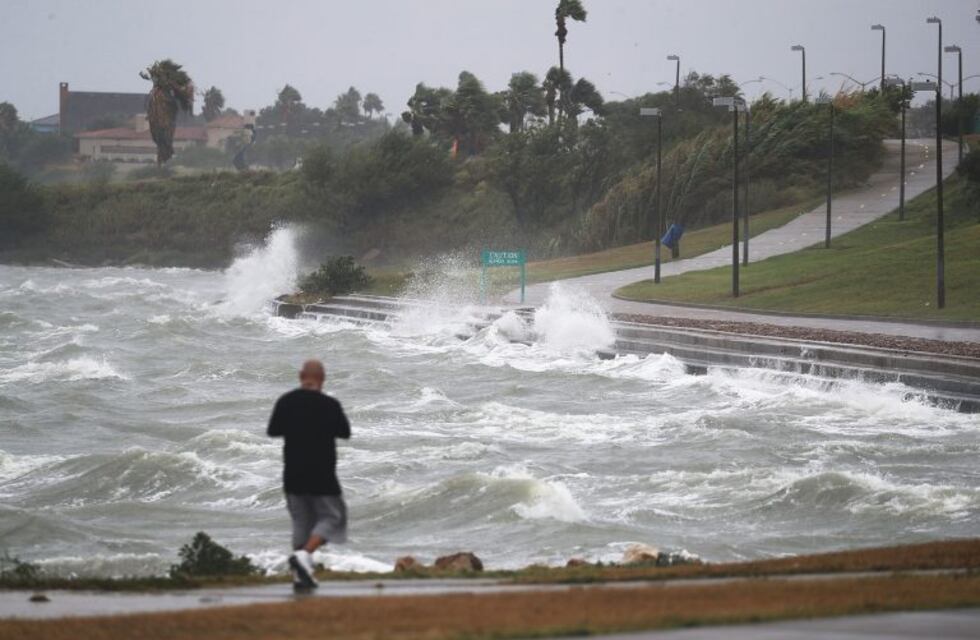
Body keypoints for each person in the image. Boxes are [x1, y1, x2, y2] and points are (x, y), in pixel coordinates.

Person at [267, 359, 351, 591]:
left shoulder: (286, 401)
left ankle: (300, 576)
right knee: (333, 517)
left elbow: (273, 430)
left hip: (293, 473)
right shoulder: (330, 405)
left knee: (301, 522)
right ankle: (304, 555)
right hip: (322, 473)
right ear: (322, 379)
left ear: (300, 376)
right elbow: (345, 432)